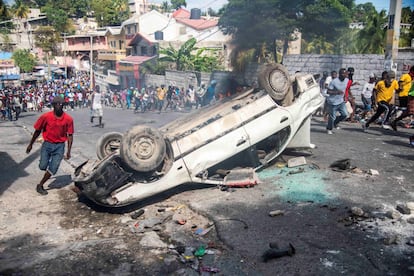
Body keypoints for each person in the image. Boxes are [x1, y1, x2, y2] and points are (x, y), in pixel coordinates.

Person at [26, 96, 74, 195]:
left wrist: (68, 151)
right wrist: (31, 144)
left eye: (61, 104)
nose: (59, 106)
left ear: (63, 106)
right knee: (42, 166)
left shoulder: (68, 119)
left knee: (53, 168)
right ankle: (45, 166)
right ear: (53, 105)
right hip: (47, 144)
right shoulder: (46, 117)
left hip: (60, 146)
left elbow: (70, 135)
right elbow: (37, 131)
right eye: (56, 104)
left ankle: (40, 185)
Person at [325, 68, 349, 135]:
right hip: (333, 102)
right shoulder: (334, 81)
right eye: (342, 73)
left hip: (341, 101)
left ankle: (335, 123)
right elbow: (328, 91)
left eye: (345, 73)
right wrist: (336, 92)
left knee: (345, 115)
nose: (344, 75)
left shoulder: (347, 80)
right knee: (332, 117)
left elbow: (347, 88)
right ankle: (329, 128)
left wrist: (346, 96)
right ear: (340, 74)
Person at [391, 65, 414, 131]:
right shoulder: (406, 76)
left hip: (408, 94)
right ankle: (394, 118)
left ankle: (394, 120)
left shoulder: (411, 78)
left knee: (407, 111)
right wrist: (400, 88)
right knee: (406, 110)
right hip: (404, 95)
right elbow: (400, 82)